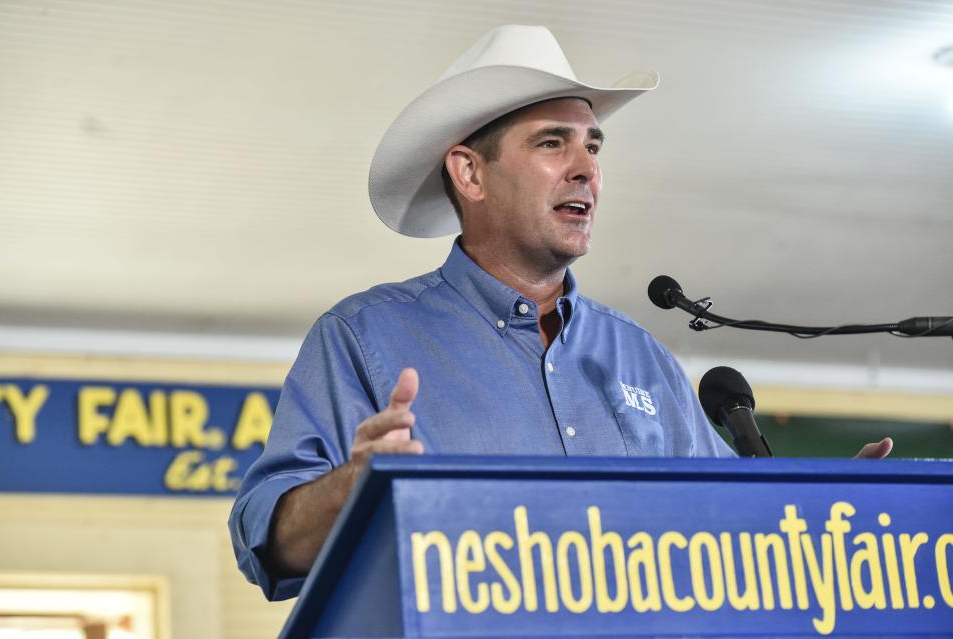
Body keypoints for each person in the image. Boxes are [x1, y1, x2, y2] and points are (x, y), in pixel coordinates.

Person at [228, 25, 892, 602]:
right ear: (469, 173)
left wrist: (819, 514)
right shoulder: (364, 338)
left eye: (594, 147)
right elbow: (263, 535)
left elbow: (727, 533)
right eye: (553, 143)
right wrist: (349, 491)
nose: (587, 169)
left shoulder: (645, 359)